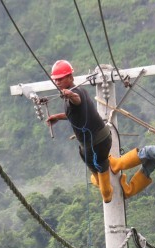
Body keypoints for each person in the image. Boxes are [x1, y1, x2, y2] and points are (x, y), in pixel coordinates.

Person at [45, 60, 113, 203]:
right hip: (100, 140)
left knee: (101, 180)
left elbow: (77, 100)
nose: (57, 82)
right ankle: (106, 184)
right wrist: (57, 117)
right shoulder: (80, 90)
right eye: (56, 80)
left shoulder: (75, 93)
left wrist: (69, 94)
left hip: (95, 144)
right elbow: (77, 114)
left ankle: (107, 192)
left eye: (60, 79)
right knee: (96, 169)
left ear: (70, 77)